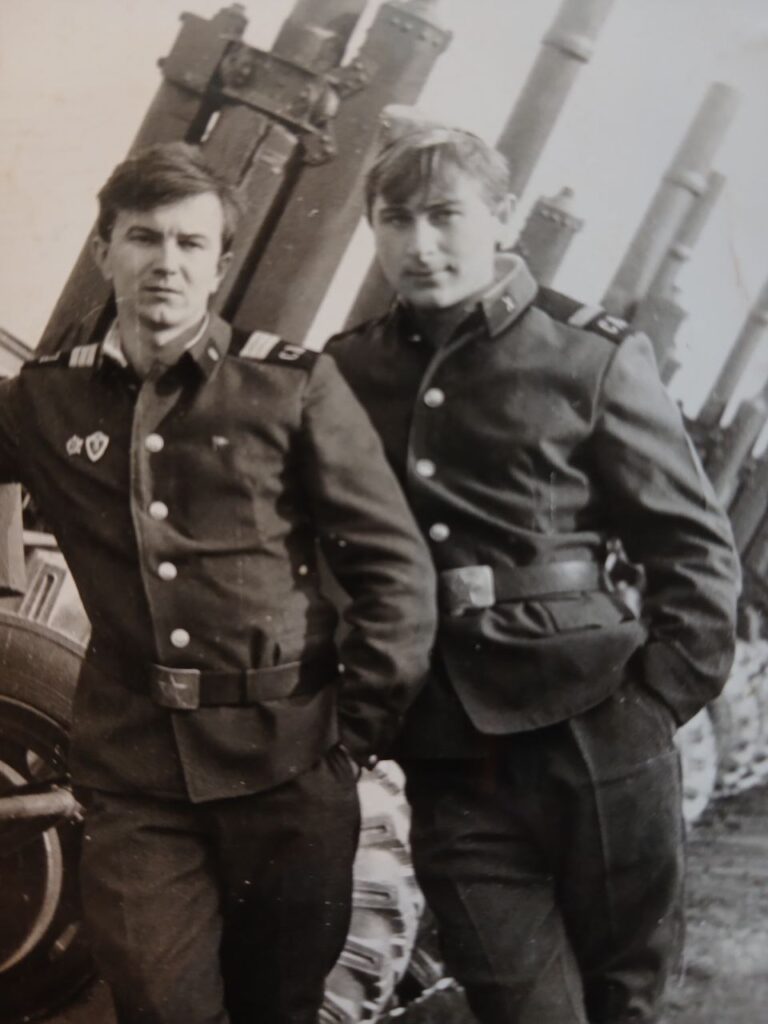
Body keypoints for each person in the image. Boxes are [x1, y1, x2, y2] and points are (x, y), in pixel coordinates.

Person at [0, 141, 437, 1024]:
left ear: (220, 265)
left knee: (276, 1006)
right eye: (143, 238)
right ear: (105, 252)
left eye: (190, 243)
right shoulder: (44, 401)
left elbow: (394, 569)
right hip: (135, 771)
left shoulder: (292, 387)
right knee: (161, 1002)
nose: (165, 263)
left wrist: (352, 734)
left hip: (290, 765)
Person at [327, 122, 741, 1024]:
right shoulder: (348, 370)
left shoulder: (588, 353)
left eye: (446, 215)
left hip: (596, 721)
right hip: (447, 747)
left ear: (503, 215)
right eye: (397, 219)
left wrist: (655, 702)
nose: (421, 243)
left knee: (623, 997)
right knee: (519, 1004)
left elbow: (692, 548)